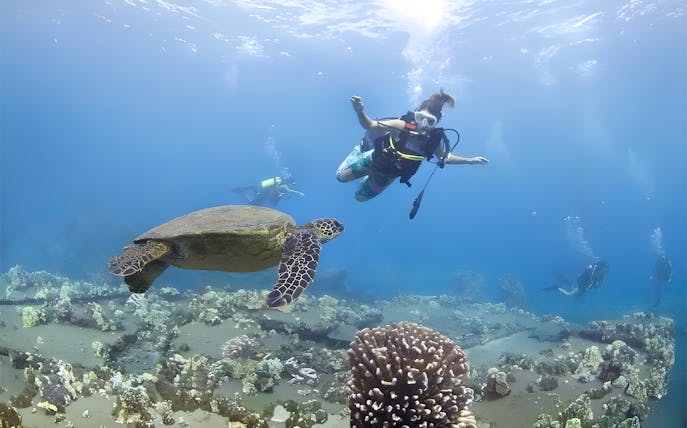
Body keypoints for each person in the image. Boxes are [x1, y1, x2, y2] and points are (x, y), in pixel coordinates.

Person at [336, 90, 488, 202]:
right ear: (416, 114)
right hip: (374, 159)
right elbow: (370, 125)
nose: (423, 124)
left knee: (360, 199)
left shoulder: (433, 140)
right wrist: (360, 111)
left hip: (389, 174)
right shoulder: (401, 125)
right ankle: (358, 151)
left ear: (437, 121)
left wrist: (471, 160)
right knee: (340, 178)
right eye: (420, 118)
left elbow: (444, 157)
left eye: (429, 121)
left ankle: (368, 178)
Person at [543, 260, 609, 297]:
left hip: (583, 287)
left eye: (606, 269)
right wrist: (584, 288)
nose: (605, 271)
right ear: (601, 267)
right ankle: (556, 288)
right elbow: (589, 280)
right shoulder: (593, 272)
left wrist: (597, 285)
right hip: (582, 286)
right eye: (605, 269)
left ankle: (567, 281)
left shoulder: (601, 273)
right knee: (568, 295)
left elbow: (599, 282)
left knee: (575, 295)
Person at [232, 175, 304, 207]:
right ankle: (242, 191)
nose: (293, 186)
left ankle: (250, 188)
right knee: (252, 204)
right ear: (289, 182)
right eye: (292, 184)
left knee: (257, 191)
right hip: (266, 193)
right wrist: (298, 193)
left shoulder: (284, 185)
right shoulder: (284, 186)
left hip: (267, 192)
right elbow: (287, 189)